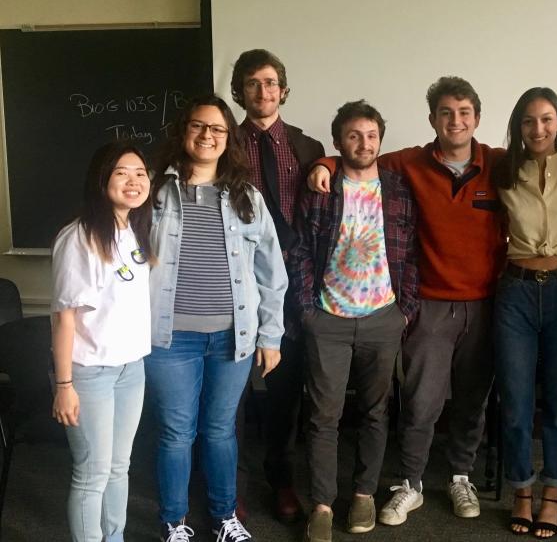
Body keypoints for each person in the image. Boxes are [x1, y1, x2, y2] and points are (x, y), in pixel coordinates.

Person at [307, 78, 557, 527]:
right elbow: (360, 156)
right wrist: (323, 161)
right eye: (445, 113)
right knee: (420, 401)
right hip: (430, 306)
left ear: (476, 118)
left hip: (488, 303)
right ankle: (410, 482)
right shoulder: (409, 164)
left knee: (472, 400)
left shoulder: (501, 164)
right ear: (432, 119)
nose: (454, 121)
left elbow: (546, 158)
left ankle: (461, 474)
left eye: (463, 112)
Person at [146, 94, 288, 542]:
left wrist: (271, 336)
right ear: (183, 131)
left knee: (220, 431)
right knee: (175, 434)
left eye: (217, 129)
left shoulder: (247, 197)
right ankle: (175, 523)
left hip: (232, 338)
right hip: (169, 339)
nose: (207, 135)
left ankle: (225, 518)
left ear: (228, 139)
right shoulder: (154, 192)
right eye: (197, 126)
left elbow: (272, 274)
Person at [288, 100, 418, 542]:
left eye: (370, 135)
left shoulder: (399, 189)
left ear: (380, 139)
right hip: (328, 318)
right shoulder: (321, 187)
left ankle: (364, 493)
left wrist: (405, 310)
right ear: (339, 141)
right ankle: (323, 503)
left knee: (376, 413)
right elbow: (302, 249)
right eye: (353, 136)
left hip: (384, 318)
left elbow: (413, 252)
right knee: (323, 417)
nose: (363, 143)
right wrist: (307, 309)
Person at [230, 48, 325, 522]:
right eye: (252, 83)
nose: (262, 92)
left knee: (284, 387)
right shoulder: (223, 144)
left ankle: (282, 480)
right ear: (239, 91)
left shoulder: (307, 149)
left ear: (283, 90)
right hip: (234, 280)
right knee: (233, 391)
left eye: (270, 83)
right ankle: (232, 487)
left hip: (290, 284)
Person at [493, 87, 557, 539]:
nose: (539, 129)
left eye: (547, 119)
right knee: (515, 403)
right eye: (529, 121)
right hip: (514, 292)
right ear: (517, 126)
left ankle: (553, 492)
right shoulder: (503, 169)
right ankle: (522, 490)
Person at [50, 141, 154, 542]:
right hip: (89, 373)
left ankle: (115, 537)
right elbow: (64, 318)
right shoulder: (79, 237)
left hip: (131, 368)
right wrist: (64, 386)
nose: (134, 181)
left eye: (141, 173)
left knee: (118, 467)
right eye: (122, 172)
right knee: (92, 472)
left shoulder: (133, 231)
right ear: (102, 179)